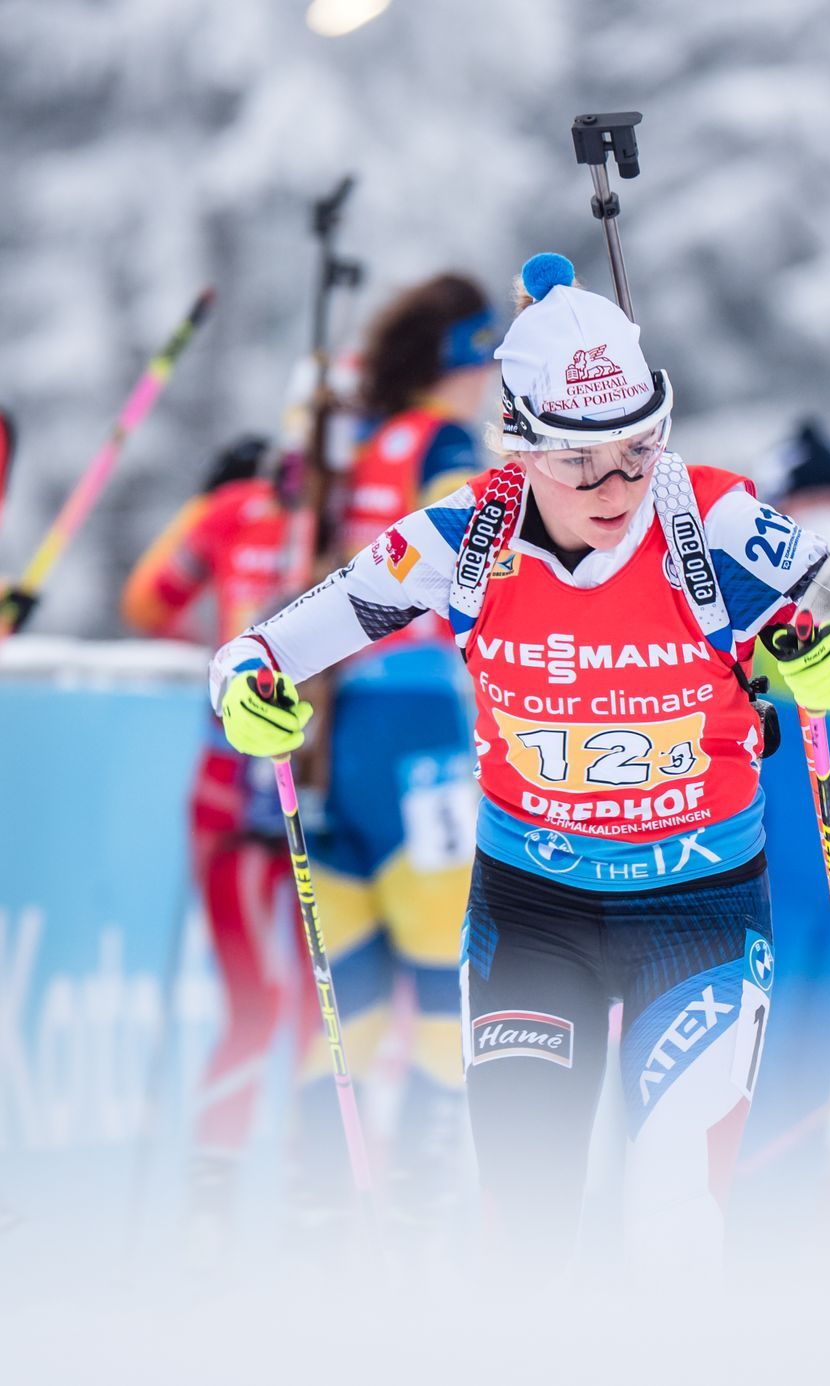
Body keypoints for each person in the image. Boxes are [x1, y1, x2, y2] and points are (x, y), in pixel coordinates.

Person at [207, 253, 830, 1263]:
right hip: (532, 914)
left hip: (698, 910)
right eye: (580, 460)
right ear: (520, 445)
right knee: (526, 1220)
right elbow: (262, 647)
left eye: (637, 449)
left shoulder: (716, 522)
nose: (617, 484)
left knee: (672, 1209)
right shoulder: (464, 541)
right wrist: (247, 691)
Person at [285, 272, 502, 1229]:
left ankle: (321, 1207)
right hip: (419, 723)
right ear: (457, 363)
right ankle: (418, 1209)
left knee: (354, 999)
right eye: (486, 363)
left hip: (342, 725)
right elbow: (477, 548)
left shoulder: (364, 442)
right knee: (445, 988)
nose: (493, 385)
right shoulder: (444, 442)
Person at [121, 434, 295, 1238]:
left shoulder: (230, 509)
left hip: (241, 790)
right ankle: (222, 1202)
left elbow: (148, 602)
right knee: (288, 1005)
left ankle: (227, 1203)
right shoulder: (343, 507)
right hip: (282, 789)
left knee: (268, 1005)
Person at [731, 418, 830, 1224]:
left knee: (828, 1011)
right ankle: (733, 1197)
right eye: (814, 502)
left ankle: (792, 1208)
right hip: (775, 814)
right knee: (767, 1007)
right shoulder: (741, 590)